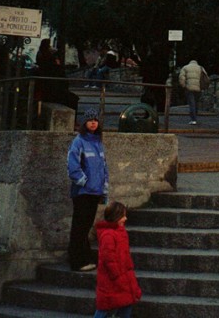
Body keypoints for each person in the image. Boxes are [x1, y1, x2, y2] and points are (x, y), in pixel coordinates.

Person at [67, 107, 109, 271]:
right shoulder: (79, 141)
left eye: (95, 120)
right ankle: (77, 260)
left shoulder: (98, 142)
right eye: (90, 120)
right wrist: (84, 182)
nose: (93, 122)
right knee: (80, 226)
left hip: (95, 191)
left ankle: (84, 257)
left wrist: (103, 189)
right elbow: (72, 166)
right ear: (85, 123)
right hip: (83, 192)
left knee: (85, 226)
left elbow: (103, 168)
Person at [94, 200, 142, 318]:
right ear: (116, 217)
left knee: (126, 303)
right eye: (122, 216)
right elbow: (108, 258)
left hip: (122, 276)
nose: (125, 219)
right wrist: (117, 275)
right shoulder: (109, 235)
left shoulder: (119, 232)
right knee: (105, 307)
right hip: (113, 278)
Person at [178, 59, 208, 125]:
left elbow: (181, 77)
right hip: (198, 88)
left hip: (189, 88)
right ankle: (195, 117)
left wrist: (184, 85)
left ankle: (193, 120)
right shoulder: (200, 68)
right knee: (196, 103)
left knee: (192, 104)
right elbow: (206, 77)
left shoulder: (185, 67)